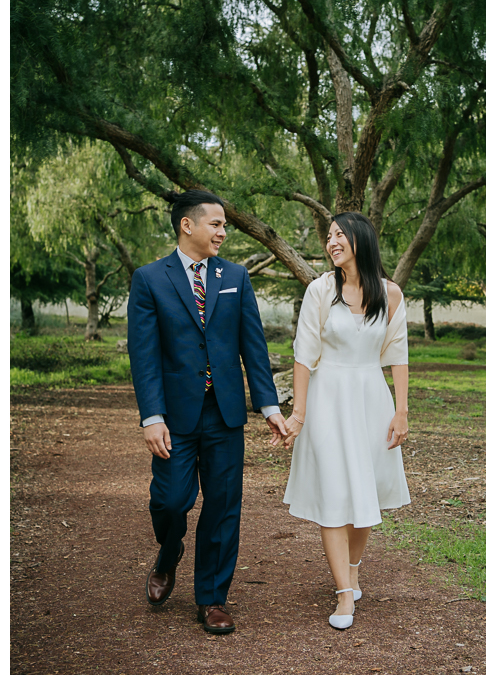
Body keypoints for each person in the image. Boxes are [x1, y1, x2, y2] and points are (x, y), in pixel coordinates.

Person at [127, 190, 287, 634]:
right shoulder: (149, 279)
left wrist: (269, 405)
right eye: (216, 224)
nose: (222, 232)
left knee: (222, 506)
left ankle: (212, 599)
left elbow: (252, 345)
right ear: (187, 225)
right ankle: (169, 551)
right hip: (174, 416)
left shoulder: (235, 276)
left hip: (225, 414)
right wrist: (151, 416)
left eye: (223, 226)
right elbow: (144, 355)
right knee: (171, 501)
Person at [280, 212, 410, 631]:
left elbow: (397, 355)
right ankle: (342, 593)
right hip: (328, 399)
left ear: (361, 240)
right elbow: (303, 354)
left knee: (364, 495)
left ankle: (353, 569)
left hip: (372, 399)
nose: (332, 242)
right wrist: (298, 413)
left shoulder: (390, 294)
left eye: (340, 235)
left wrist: (402, 411)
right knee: (335, 492)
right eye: (329, 236)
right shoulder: (320, 290)